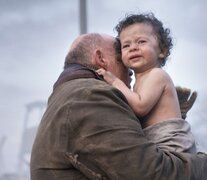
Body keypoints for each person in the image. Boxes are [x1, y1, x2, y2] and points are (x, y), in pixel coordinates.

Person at [30, 33, 207, 180]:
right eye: (121, 59)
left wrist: (162, 116)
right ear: (100, 59)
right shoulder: (89, 97)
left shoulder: (72, 96)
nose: (131, 70)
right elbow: (152, 174)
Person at [97, 13, 197, 153]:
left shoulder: (157, 75)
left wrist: (114, 81)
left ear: (162, 51)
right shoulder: (138, 83)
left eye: (141, 42)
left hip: (175, 147)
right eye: (126, 45)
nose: (133, 48)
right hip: (157, 145)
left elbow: (140, 106)